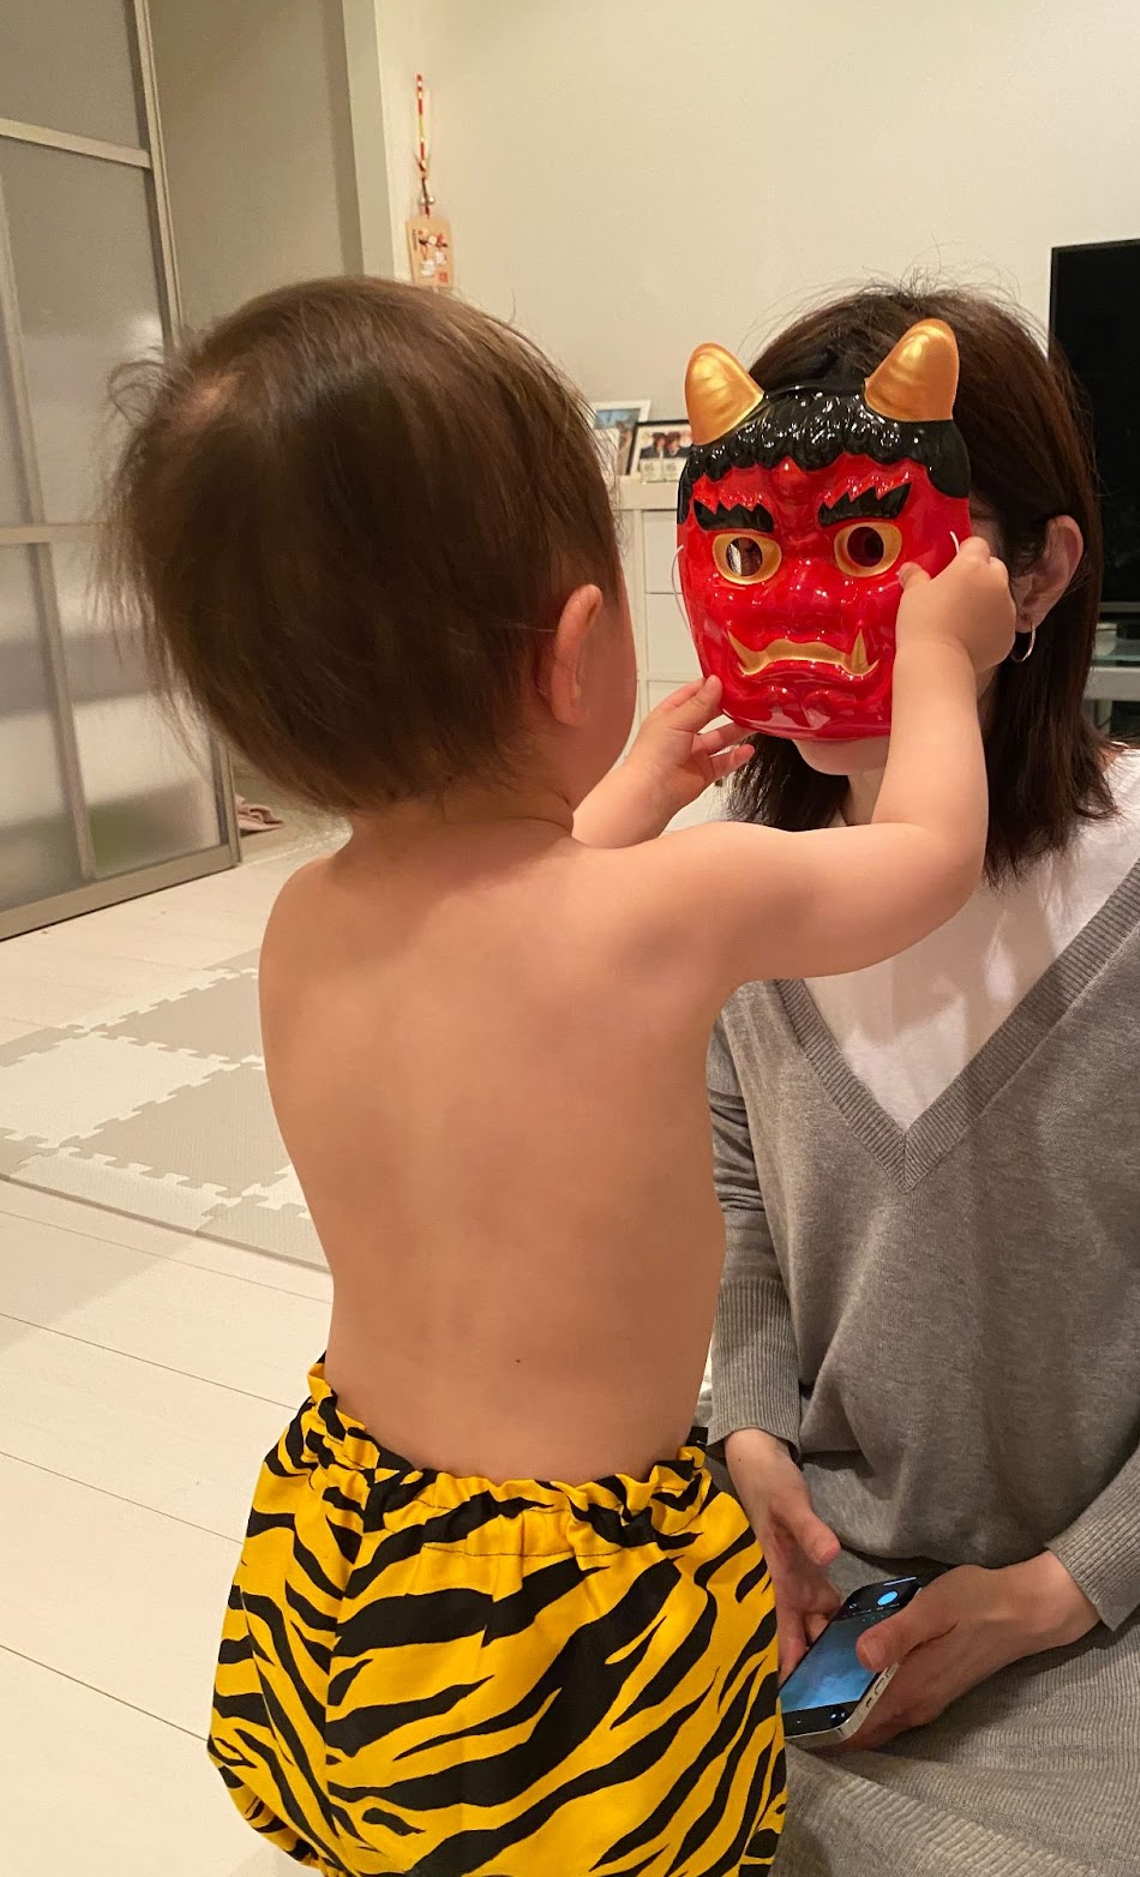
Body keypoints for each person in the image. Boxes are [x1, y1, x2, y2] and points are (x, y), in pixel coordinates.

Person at [103, 276, 1017, 1877]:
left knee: (408, 1829)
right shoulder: (671, 911)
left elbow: (509, 932)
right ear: (576, 648)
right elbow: (930, 857)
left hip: (349, 1526)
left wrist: (625, 797)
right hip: (567, 1609)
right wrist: (938, 649)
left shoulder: (308, 923)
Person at [704, 282, 1140, 1877]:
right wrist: (751, 1439)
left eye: (876, 548)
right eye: (761, 550)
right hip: (813, 1562)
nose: (816, 610)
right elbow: (737, 1216)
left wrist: (1058, 1589)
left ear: (1034, 575)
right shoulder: (736, 888)